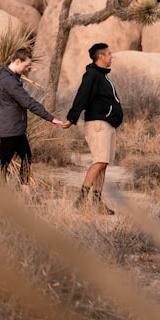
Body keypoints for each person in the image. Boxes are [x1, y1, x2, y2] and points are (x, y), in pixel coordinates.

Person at [0, 48, 70, 187]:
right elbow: (28, 102)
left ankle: (24, 191)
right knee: (4, 162)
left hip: (15, 129)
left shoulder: (10, 78)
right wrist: (50, 118)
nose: (26, 69)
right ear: (18, 61)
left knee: (25, 157)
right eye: (26, 66)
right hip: (10, 129)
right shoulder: (9, 82)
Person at [66, 42, 122, 215]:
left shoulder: (102, 76)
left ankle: (97, 203)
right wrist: (71, 118)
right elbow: (81, 96)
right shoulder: (92, 75)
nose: (111, 56)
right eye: (109, 53)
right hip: (98, 124)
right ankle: (81, 201)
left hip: (107, 125)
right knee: (99, 161)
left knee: (103, 163)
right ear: (101, 56)